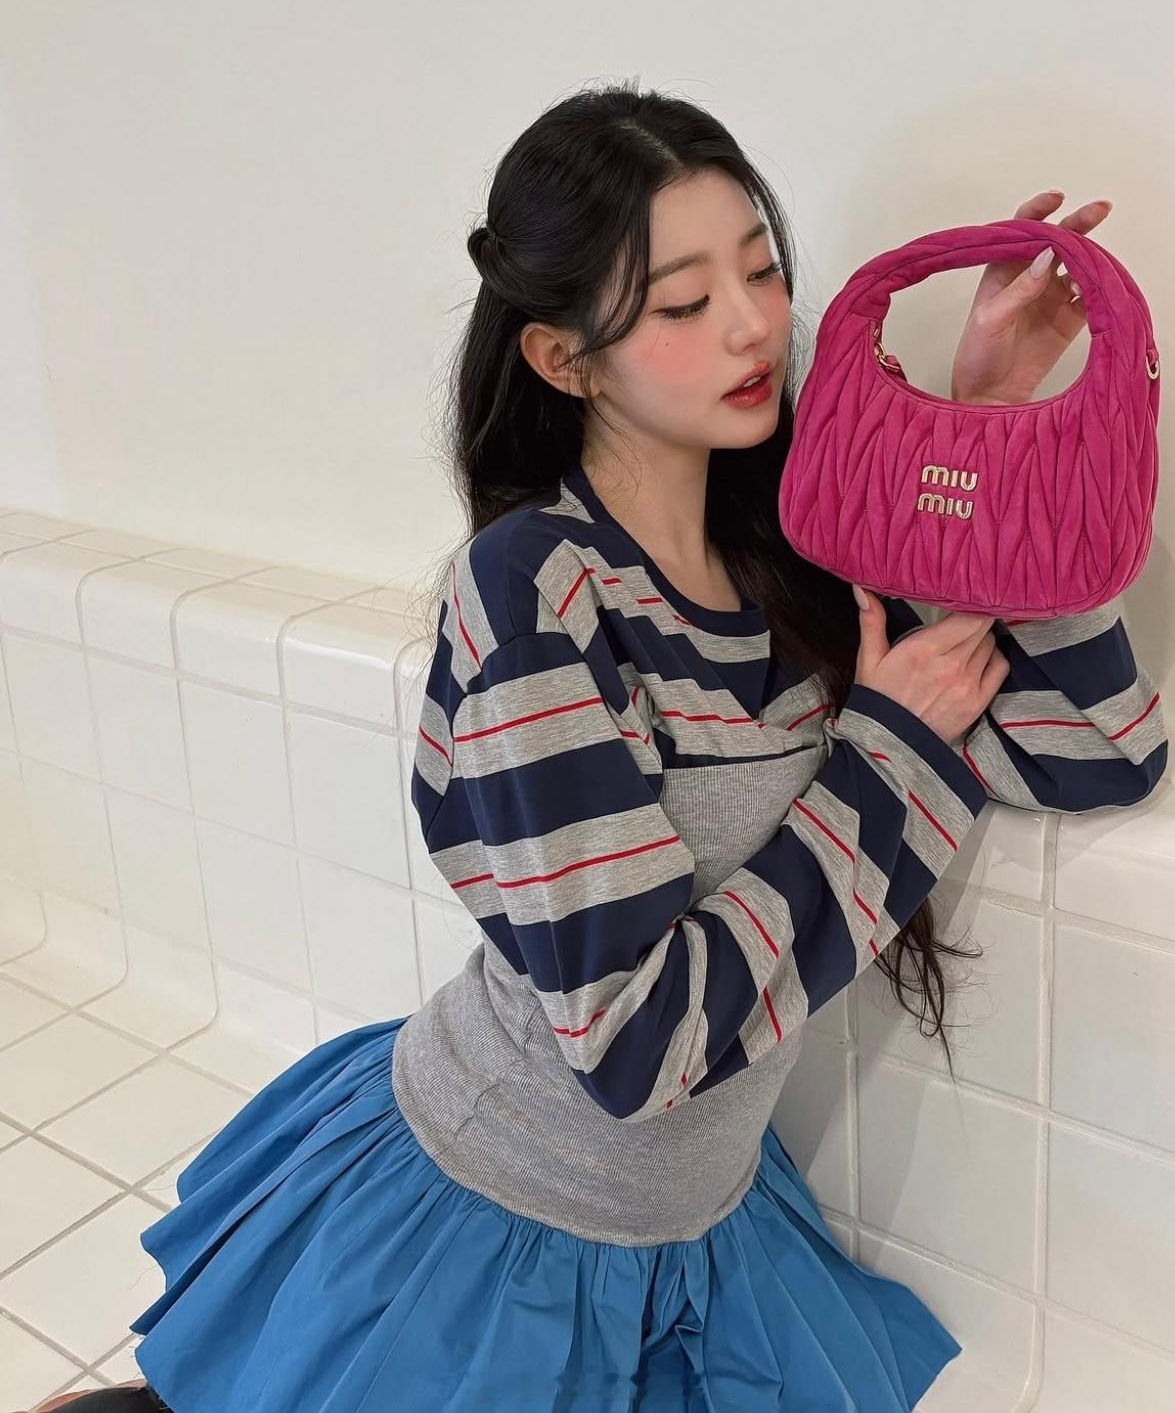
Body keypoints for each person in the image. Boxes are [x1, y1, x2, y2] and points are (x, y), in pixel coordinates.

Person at [37, 82, 1166, 1412]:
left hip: (693, 1229)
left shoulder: (805, 548)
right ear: (563, 358)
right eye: (685, 303)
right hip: (494, 1221)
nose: (753, 325)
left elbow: (1099, 753)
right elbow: (636, 1044)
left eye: (762, 270)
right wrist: (888, 755)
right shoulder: (534, 595)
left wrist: (996, 429)